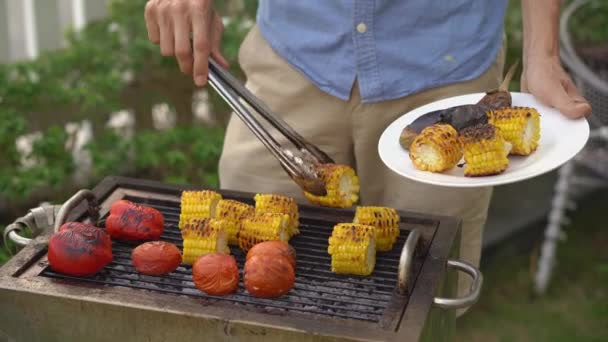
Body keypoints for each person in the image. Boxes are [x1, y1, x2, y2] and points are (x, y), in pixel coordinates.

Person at [144, 0, 592, 316]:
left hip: (442, 71)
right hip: (295, 51)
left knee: (421, 293)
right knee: (241, 279)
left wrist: (542, 54)